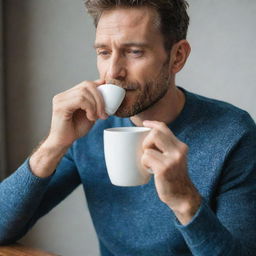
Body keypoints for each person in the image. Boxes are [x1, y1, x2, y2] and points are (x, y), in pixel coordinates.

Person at [1, 0, 256, 255]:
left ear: (177, 57)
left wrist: (185, 200)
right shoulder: (88, 127)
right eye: (103, 52)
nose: (113, 71)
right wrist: (53, 145)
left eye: (134, 51)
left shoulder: (234, 134)